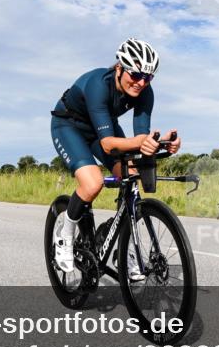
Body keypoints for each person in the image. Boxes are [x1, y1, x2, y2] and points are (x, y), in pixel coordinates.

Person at [50, 38, 181, 278]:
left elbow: (140, 139)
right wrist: (142, 142)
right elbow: (108, 145)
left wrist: (160, 143)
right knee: (93, 183)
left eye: (148, 77)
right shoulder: (98, 85)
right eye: (136, 75)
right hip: (69, 126)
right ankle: (64, 236)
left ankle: (123, 246)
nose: (141, 83)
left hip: (103, 128)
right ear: (119, 68)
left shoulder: (145, 92)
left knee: (131, 173)